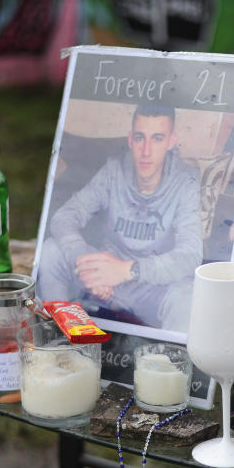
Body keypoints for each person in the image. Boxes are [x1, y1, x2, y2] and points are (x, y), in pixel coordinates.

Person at [37, 104, 202, 332]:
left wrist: (127, 270)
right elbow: (65, 216)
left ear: (171, 141)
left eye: (156, 138)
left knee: (189, 297)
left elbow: (190, 255)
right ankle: (61, 336)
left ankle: (166, 361)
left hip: (151, 286)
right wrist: (86, 262)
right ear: (130, 139)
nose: (146, 150)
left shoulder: (185, 182)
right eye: (139, 138)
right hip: (103, 280)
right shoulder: (114, 170)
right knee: (50, 251)